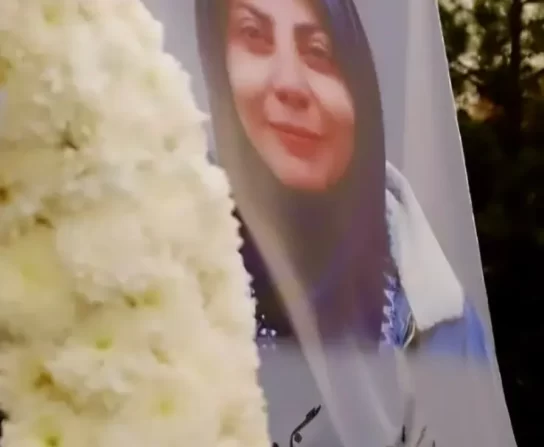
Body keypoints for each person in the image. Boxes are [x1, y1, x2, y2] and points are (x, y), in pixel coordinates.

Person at [198, 0, 489, 359]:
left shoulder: (436, 321)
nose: (289, 83)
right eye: (254, 34)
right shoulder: (155, 255)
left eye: (319, 51)